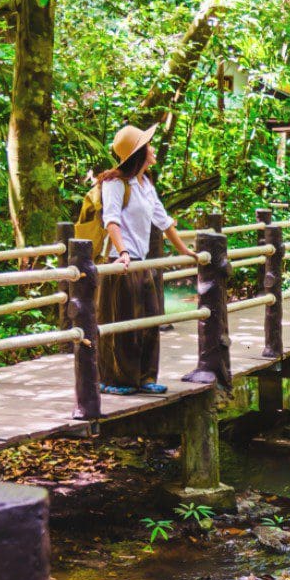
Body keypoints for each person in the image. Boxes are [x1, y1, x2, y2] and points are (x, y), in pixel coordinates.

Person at [96, 123, 196, 394]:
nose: (152, 149)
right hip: (121, 261)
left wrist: (185, 252)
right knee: (123, 323)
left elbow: (164, 221)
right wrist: (123, 252)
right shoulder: (115, 183)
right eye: (148, 145)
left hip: (142, 261)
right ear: (139, 152)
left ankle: (145, 377)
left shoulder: (146, 184)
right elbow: (111, 221)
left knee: (150, 318)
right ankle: (116, 380)